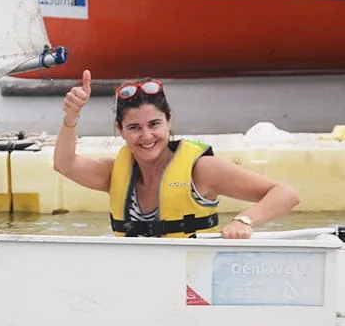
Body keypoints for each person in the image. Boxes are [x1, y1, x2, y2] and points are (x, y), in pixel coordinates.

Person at [52, 70, 300, 239]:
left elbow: (286, 194)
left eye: (154, 124)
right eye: (134, 128)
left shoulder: (202, 170)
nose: (147, 136)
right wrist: (71, 116)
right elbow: (64, 164)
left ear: (169, 122)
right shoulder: (114, 172)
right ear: (120, 131)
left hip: (192, 286)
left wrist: (244, 221)